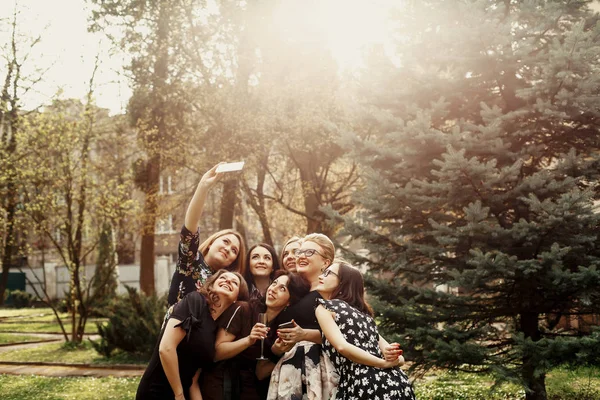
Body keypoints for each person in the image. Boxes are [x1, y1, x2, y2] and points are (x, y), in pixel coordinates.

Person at [136, 270, 249, 400]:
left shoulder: (215, 329)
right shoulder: (195, 300)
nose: (228, 281)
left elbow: (193, 381)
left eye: (234, 282)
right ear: (211, 286)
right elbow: (166, 348)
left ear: (237, 298)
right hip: (156, 391)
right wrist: (178, 394)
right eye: (223, 278)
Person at [201, 270, 310, 400]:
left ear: (290, 301)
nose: (273, 289)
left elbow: (261, 373)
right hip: (223, 383)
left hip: (253, 390)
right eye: (274, 283)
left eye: (282, 288)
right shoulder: (244, 309)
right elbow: (217, 353)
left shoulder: (282, 328)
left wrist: (276, 353)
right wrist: (249, 340)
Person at [315, 260, 416, 400]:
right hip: (398, 383)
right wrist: (391, 358)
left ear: (343, 282)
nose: (321, 276)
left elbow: (342, 346)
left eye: (328, 273)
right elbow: (401, 359)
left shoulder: (325, 307)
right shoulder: (363, 315)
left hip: (363, 384)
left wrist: (383, 362)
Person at [267, 233, 339, 400]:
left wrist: (304, 335)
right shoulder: (295, 292)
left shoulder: (331, 292)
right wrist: (276, 349)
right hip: (289, 371)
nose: (300, 256)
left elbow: (348, 334)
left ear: (325, 262)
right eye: (300, 252)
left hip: (319, 370)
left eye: (309, 252)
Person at [168, 163, 247, 307]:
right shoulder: (190, 261)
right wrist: (203, 187)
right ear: (211, 242)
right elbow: (189, 228)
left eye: (234, 250)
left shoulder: (228, 284)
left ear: (233, 261)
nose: (228, 249)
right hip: (173, 328)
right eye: (225, 241)